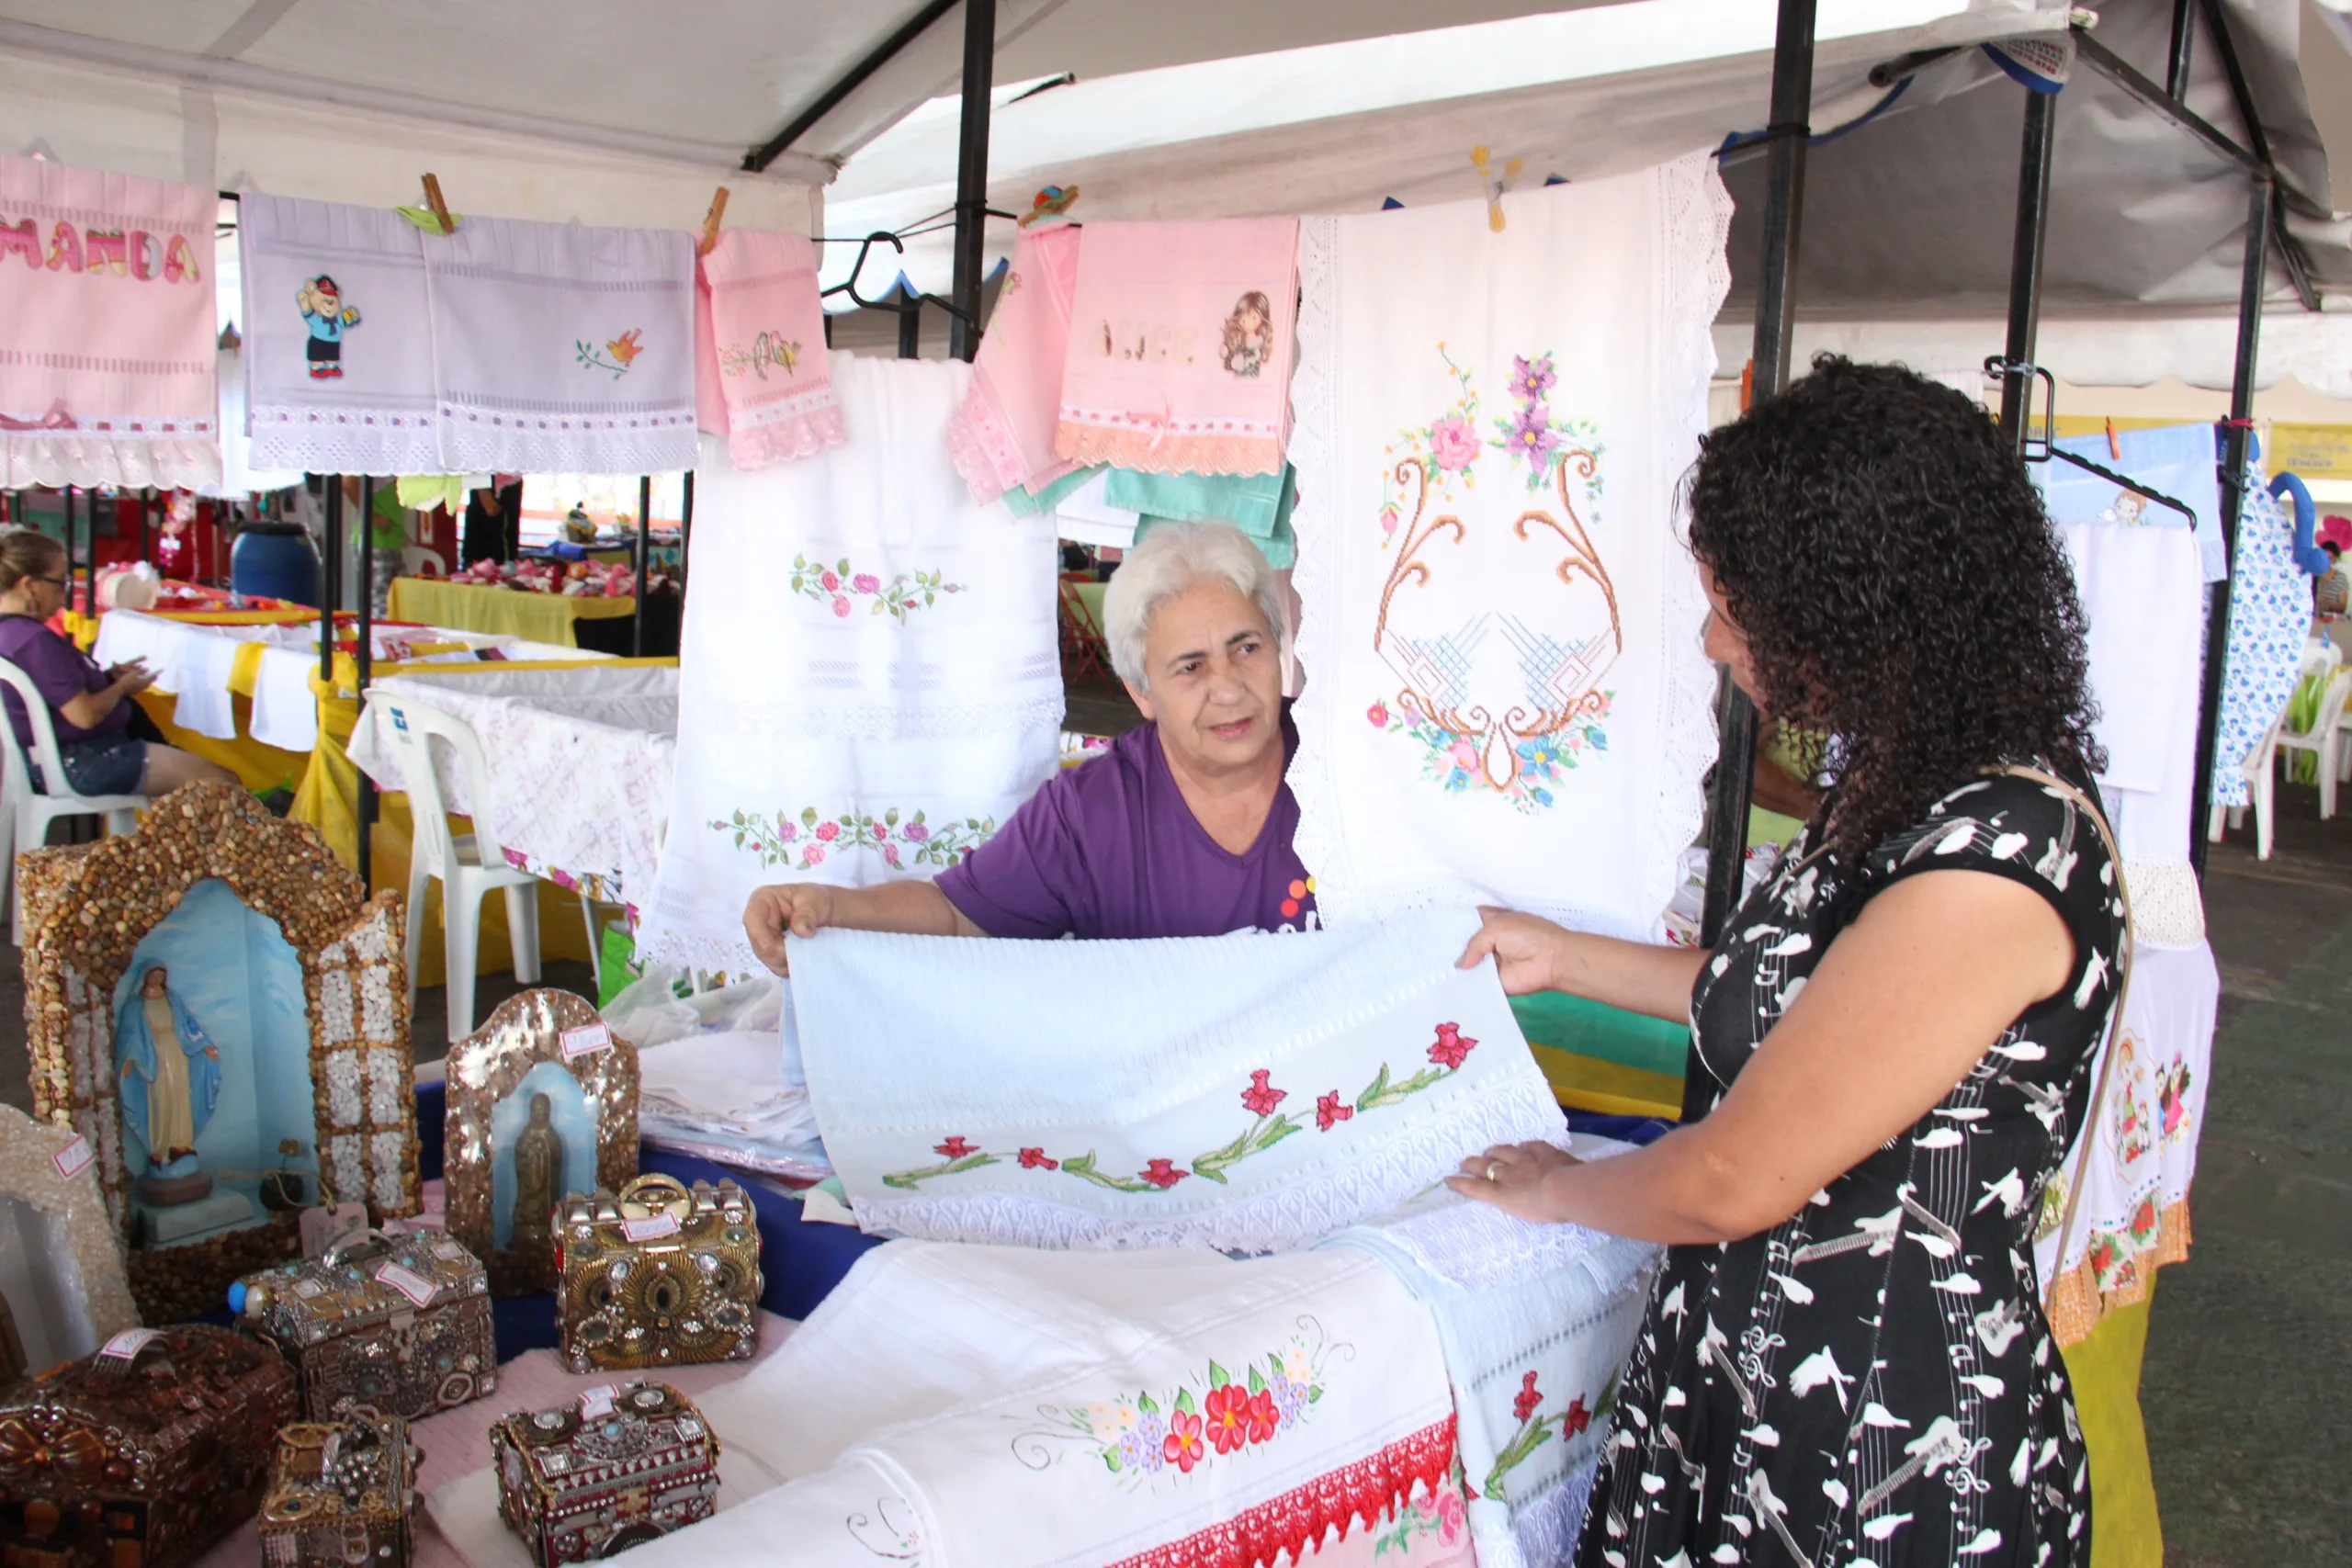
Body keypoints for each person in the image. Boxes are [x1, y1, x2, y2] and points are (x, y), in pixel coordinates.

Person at [1448, 358, 2120, 1568]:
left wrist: (1556, 1184)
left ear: (1855, 606)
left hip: (1884, 1457)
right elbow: (1807, 1003)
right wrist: (1567, 957)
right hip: (1753, 1402)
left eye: (1734, 603)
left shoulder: (2003, 853)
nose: (1713, 637)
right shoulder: (1909, 782)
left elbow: (1734, 1175)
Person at [744, 521, 1312, 969]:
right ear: (1141, 693)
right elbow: (955, 915)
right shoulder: (1090, 816)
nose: (1229, 687)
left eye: (1247, 649)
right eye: (1190, 667)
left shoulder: (1347, 755)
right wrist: (833, 909)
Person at [0, 530, 234, 797]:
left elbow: (56, 691)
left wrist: (109, 678)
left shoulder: (11, 634)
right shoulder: (32, 641)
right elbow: (85, 715)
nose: (62, 595)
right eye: (59, 583)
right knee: (222, 785)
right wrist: (122, 687)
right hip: (83, 761)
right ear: (30, 585)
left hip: (46, 761)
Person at [115, 963, 223, 1181]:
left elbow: (189, 1026)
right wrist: (129, 1058)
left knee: (180, 1096)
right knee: (160, 1100)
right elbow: (130, 1035)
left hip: (176, 1052)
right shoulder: (136, 1004)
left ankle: (182, 1144)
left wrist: (205, 1045)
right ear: (146, 977)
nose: (156, 979)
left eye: (160, 975)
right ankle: (161, 1146)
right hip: (153, 1058)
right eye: (153, 975)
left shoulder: (172, 998)